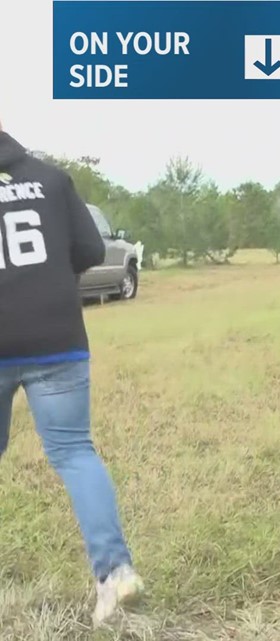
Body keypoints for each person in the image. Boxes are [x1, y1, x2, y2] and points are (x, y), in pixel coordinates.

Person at [0, 121, 144, 626]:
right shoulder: (52, 179)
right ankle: (114, 570)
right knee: (75, 453)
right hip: (57, 338)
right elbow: (88, 252)